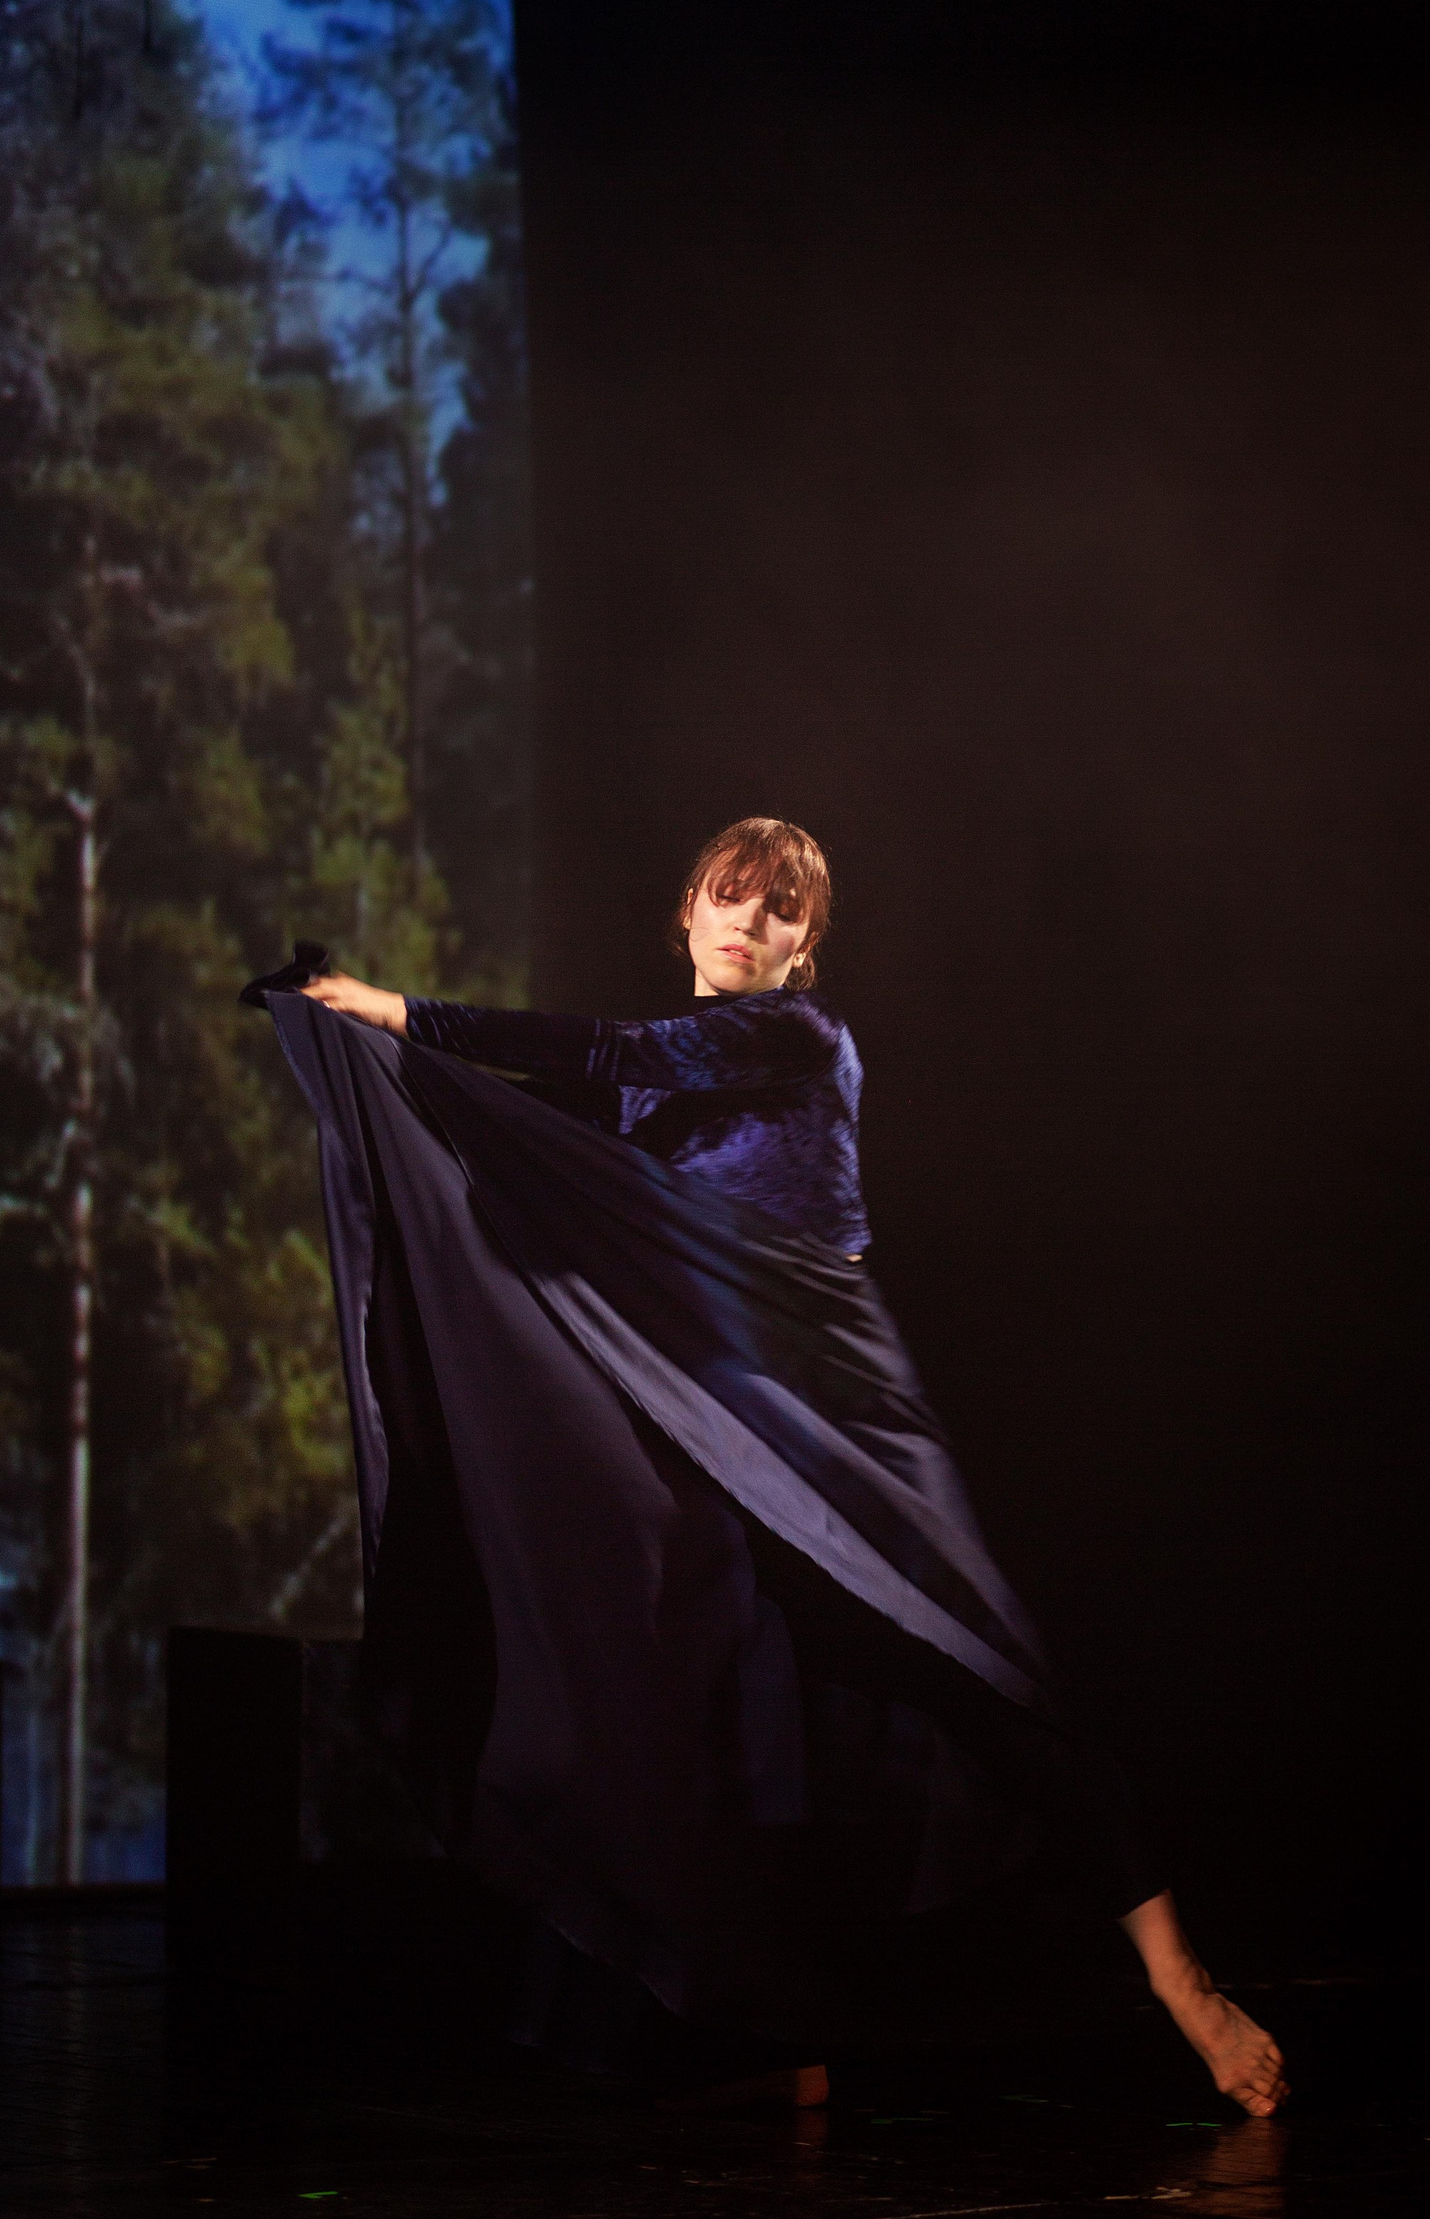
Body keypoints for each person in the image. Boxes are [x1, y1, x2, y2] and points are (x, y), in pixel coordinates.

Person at [249, 815, 1285, 2116]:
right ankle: (772, 2034)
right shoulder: (642, 1092)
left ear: (806, 946)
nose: (750, 921)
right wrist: (348, 1043)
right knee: (715, 1711)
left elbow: (613, 1048)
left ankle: (1182, 1980)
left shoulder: (795, 1035)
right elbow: (510, 1125)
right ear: (687, 910)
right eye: (731, 896)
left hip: (831, 1413)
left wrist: (397, 1010)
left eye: (780, 908)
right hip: (711, 1423)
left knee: (977, 1677)